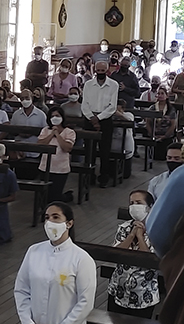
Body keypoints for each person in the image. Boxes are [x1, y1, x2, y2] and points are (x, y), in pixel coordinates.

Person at [14, 203, 96, 324]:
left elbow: (86, 302)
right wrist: (27, 320)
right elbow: (22, 289)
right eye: (47, 217)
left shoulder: (82, 259)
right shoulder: (34, 251)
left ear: (69, 223)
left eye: (56, 217)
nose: (50, 222)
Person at [108, 190, 160, 318]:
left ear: (149, 207)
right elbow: (116, 254)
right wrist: (131, 235)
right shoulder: (124, 227)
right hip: (118, 290)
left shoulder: (157, 231)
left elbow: (149, 261)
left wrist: (140, 237)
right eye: (131, 203)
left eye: (138, 203)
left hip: (143, 295)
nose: (134, 206)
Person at [82, 60, 119, 188]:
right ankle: (89, 176)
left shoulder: (113, 85)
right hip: (89, 118)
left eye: (103, 71)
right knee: (89, 150)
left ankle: (104, 177)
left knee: (105, 150)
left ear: (107, 71)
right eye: (98, 71)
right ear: (95, 70)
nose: (100, 73)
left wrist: (99, 118)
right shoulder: (88, 84)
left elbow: (112, 106)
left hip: (106, 119)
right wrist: (92, 118)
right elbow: (84, 104)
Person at [38, 107, 76, 204]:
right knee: (44, 195)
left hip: (61, 168)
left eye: (57, 116)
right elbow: (40, 144)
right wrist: (51, 134)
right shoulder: (45, 130)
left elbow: (67, 148)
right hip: (45, 167)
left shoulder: (69, 132)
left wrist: (58, 135)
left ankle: (67, 197)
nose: (55, 118)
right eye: (52, 116)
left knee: (55, 197)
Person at [148, 86, 178, 159]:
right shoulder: (152, 108)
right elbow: (148, 122)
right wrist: (152, 134)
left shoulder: (171, 109)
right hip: (155, 134)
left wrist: (165, 136)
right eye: (158, 93)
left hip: (166, 135)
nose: (160, 95)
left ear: (166, 96)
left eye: (162, 93)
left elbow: (173, 125)